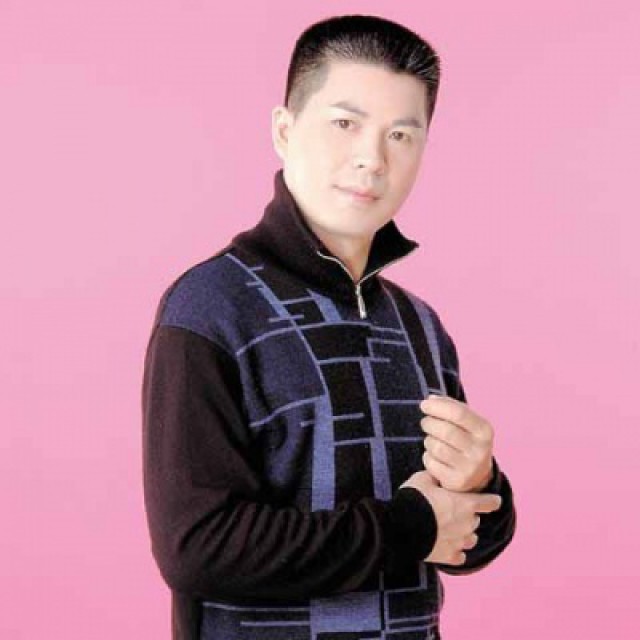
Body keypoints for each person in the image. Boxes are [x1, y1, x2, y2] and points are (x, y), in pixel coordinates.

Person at [142, 14, 517, 640]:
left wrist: (482, 482)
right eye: (345, 123)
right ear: (284, 131)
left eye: (401, 134)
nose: (372, 158)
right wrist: (411, 527)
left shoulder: (419, 324)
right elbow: (198, 547)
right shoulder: (208, 308)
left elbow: (464, 541)